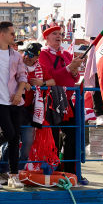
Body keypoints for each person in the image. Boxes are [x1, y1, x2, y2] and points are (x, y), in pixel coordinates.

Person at [0, 22, 28, 188]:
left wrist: (19, 93)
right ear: (1, 34)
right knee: (8, 132)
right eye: (11, 33)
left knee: (16, 138)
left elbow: (23, 76)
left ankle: (13, 176)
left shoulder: (16, 55)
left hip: (14, 100)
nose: (14, 36)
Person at [39, 24, 84, 176]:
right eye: (55, 34)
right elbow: (50, 76)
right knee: (53, 135)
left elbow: (76, 77)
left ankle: (70, 170)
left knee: (72, 135)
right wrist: (69, 67)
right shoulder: (43, 54)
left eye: (60, 34)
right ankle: (54, 170)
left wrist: (74, 70)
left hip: (67, 100)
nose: (59, 36)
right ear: (46, 38)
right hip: (52, 100)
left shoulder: (66, 54)